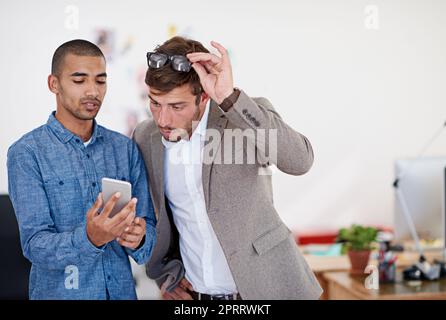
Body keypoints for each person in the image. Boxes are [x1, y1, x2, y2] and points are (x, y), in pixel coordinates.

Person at [133, 36, 322, 300]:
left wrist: (229, 98)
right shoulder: (144, 136)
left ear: (204, 97)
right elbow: (156, 218)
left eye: (177, 106)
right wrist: (167, 275)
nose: (163, 119)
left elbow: (300, 161)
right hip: (197, 296)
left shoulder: (242, 117)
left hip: (268, 291)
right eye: (155, 103)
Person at [7, 39, 156, 300]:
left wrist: (140, 238)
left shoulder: (124, 148)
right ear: (54, 84)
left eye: (100, 81)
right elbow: (35, 245)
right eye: (79, 80)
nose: (92, 91)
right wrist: (90, 238)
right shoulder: (27, 153)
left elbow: (148, 237)